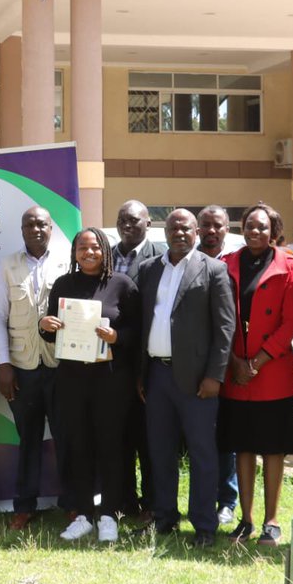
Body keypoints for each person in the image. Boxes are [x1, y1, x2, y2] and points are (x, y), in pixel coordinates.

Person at [137, 209, 235, 547]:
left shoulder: (214, 270)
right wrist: (141, 373)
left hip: (197, 381)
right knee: (160, 451)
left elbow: (225, 328)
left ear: (196, 232)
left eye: (186, 228)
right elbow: (142, 323)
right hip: (157, 376)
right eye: (173, 228)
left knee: (202, 453)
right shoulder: (150, 269)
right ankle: (165, 518)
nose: (179, 233)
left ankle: (204, 526)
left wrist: (214, 376)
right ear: (164, 231)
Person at [39, 228, 139, 542]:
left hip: (110, 380)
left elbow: (137, 331)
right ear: (75, 253)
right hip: (72, 380)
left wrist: (117, 337)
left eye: (95, 247)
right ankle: (82, 514)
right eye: (83, 247)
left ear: (105, 251)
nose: (89, 252)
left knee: (110, 446)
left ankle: (109, 514)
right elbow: (53, 330)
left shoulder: (122, 285)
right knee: (77, 446)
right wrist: (45, 325)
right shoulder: (64, 284)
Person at [218, 203, 293, 546]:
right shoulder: (227, 264)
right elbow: (221, 318)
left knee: (272, 449)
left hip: (272, 372)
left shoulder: (290, 266)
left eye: (262, 227)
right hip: (234, 370)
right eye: (250, 226)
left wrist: (256, 362)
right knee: (242, 447)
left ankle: (271, 521)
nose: (255, 232)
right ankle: (246, 520)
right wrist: (235, 362)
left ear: (275, 231)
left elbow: (291, 323)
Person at [0, 206, 70, 531]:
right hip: (22, 368)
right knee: (29, 440)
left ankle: (72, 505)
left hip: (60, 367)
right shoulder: (7, 266)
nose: (36, 229)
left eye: (42, 224)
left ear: (51, 228)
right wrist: (4, 364)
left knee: (66, 438)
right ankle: (25, 506)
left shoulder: (67, 262)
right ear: (22, 230)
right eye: (30, 225)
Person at [111, 200, 166, 519]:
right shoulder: (107, 254)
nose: (127, 224)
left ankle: (153, 502)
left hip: (147, 362)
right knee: (119, 437)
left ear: (148, 222)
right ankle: (125, 500)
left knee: (149, 438)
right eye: (122, 219)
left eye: (133, 219)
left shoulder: (159, 258)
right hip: (110, 363)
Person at [195, 203, 243, 526]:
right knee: (198, 437)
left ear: (227, 229)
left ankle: (227, 499)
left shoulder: (235, 263)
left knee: (225, 434)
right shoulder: (186, 258)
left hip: (225, 362)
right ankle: (199, 498)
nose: (211, 231)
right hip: (188, 361)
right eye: (206, 225)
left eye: (218, 225)